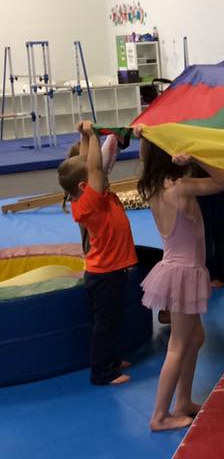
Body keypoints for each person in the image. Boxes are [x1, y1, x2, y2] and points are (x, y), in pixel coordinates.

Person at [135, 131, 224, 431]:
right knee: (178, 345)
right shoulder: (181, 187)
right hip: (184, 273)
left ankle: (183, 402)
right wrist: (197, 154)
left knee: (196, 338)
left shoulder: (154, 186)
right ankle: (160, 416)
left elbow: (147, 153)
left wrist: (152, 138)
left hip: (176, 268)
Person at [57, 121, 138, 386]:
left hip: (108, 272)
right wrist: (92, 134)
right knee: (105, 324)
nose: (105, 177)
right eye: (101, 176)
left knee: (111, 321)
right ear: (84, 186)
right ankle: (103, 372)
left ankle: (110, 360)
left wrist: (84, 135)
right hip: (105, 275)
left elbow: (87, 163)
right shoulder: (88, 205)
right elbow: (92, 166)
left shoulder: (92, 198)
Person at [192, 165, 224, 288]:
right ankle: (210, 274)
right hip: (198, 181)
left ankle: (223, 270)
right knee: (205, 233)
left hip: (219, 180)